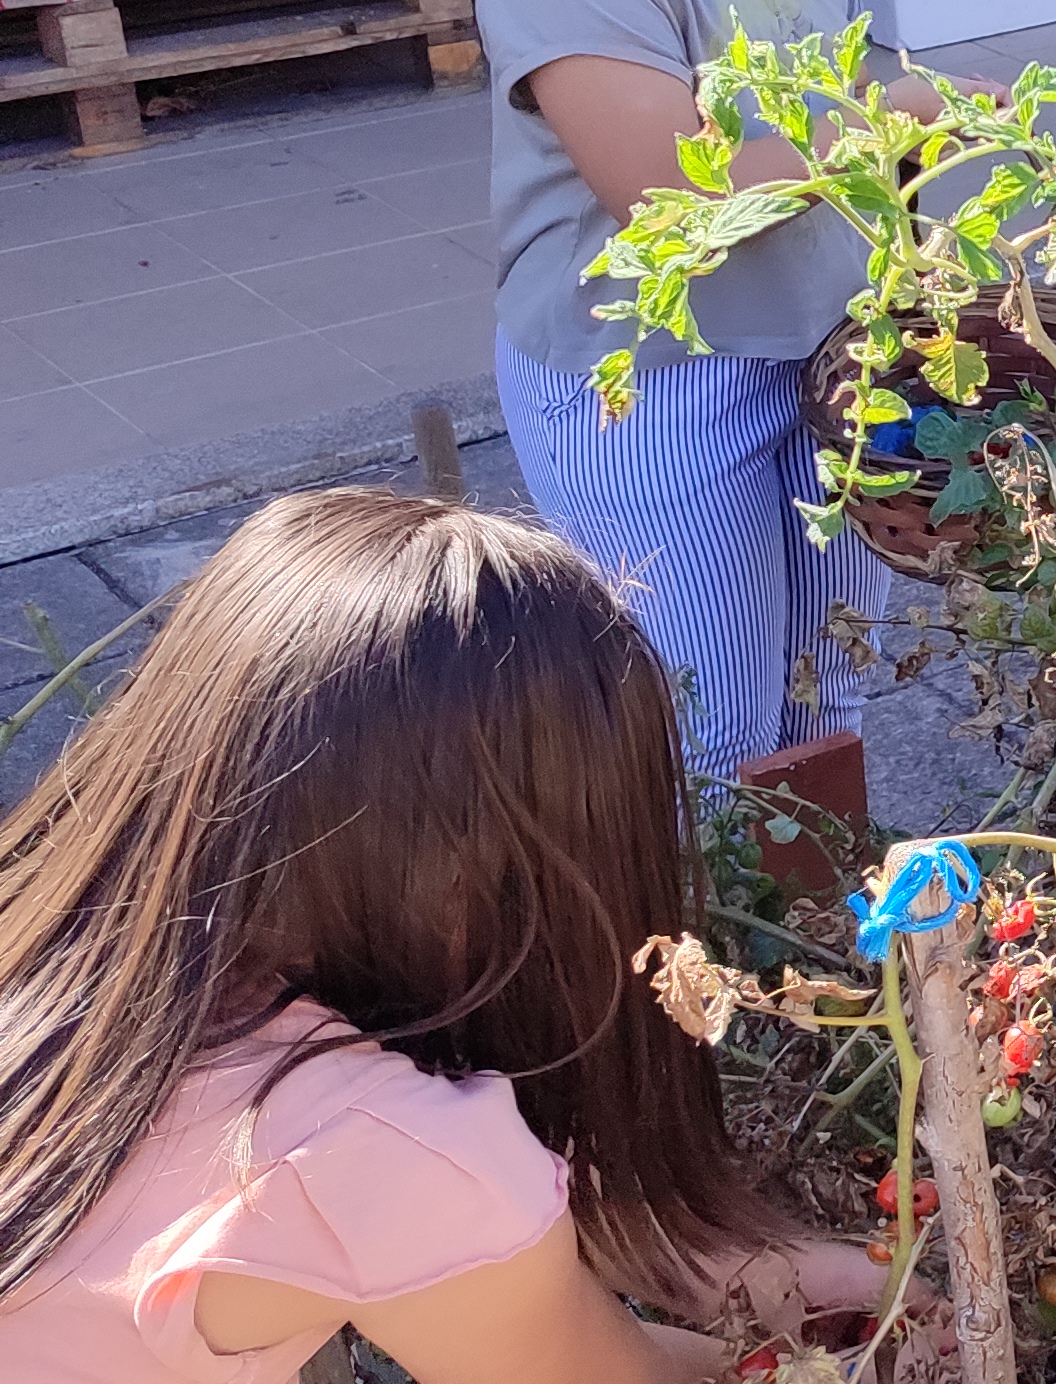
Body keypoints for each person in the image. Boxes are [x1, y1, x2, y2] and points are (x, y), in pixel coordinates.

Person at [0, 489, 914, 1382]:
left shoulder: (57, 949)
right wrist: (864, 1365)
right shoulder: (379, 1148)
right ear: (529, 880)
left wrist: (710, 1252)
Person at [478, 0, 932, 782]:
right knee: (706, 722)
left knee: (830, 682)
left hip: (822, 350)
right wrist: (900, 117)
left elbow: (854, 90)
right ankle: (705, 961)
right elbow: (668, 195)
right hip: (655, 377)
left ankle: (825, 942)